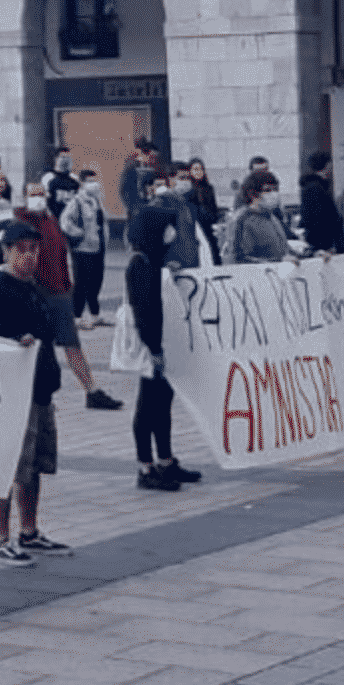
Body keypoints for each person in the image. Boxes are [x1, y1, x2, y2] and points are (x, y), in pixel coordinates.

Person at [0, 220, 75, 566]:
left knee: (34, 466)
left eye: (34, 250)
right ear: (6, 251)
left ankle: (29, 530)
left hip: (40, 386)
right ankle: (0, 537)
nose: (29, 257)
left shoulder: (36, 287)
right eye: (21, 250)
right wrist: (13, 344)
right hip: (9, 392)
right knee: (7, 465)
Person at [16, 182, 124, 410]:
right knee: (38, 348)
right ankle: (38, 398)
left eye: (40, 193)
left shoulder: (50, 219)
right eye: (32, 194)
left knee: (71, 342)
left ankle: (91, 391)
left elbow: (60, 252)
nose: (37, 197)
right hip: (37, 293)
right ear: (25, 197)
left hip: (59, 291)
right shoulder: (24, 221)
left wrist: (67, 284)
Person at [125, 203, 202, 491]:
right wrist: (154, 349)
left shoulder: (151, 261)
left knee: (163, 403)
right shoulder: (140, 264)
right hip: (152, 347)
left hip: (161, 343)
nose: (171, 233)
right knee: (147, 405)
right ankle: (146, 466)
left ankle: (166, 460)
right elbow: (144, 312)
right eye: (165, 226)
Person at [60, 168, 110, 329]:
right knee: (81, 284)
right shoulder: (77, 201)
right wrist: (79, 234)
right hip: (82, 250)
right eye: (90, 182)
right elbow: (65, 222)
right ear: (82, 183)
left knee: (96, 282)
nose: (94, 185)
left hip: (98, 248)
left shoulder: (97, 201)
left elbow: (102, 223)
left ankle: (96, 315)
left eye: (95, 181)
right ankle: (77, 317)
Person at [229, 169, 295, 264]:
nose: (273, 194)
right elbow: (240, 259)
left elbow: (285, 250)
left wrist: (311, 255)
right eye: (267, 190)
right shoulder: (242, 221)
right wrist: (278, 262)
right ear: (253, 194)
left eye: (275, 189)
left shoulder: (272, 218)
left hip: (278, 275)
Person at [299, 151, 344, 254]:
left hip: (322, 241)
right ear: (327, 165)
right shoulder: (315, 188)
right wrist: (327, 244)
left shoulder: (314, 186)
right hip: (322, 244)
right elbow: (317, 218)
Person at [185, 158, 222, 264]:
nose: (199, 172)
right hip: (196, 226)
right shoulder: (189, 190)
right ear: (190, 172)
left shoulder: (208, 188)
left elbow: (213, 208)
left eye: (201, 169)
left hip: (209, 226)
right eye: (195, 169)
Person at [45, 148, 80, 220]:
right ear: (56, 159)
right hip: (55, 218)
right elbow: (46, 199)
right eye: (63, 157)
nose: (66, 160)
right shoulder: (48, 177)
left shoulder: (75, 178)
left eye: (68, 157)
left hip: (72, 218)